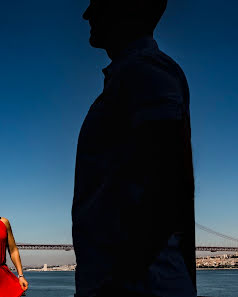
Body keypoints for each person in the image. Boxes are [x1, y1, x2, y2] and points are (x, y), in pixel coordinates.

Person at [72, 0, 197, 296]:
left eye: (97, 3)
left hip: (137, 282)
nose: (87, 13)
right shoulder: (134, 75)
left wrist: (119, 276)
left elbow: (166, 181)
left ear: (129, 8)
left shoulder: (146, 72)